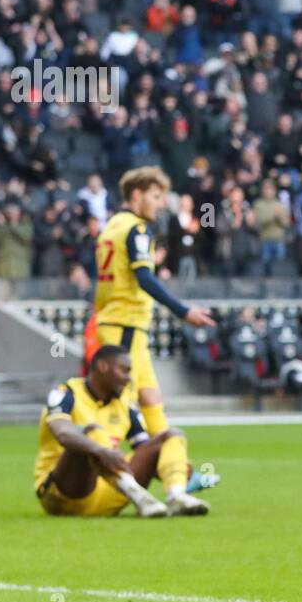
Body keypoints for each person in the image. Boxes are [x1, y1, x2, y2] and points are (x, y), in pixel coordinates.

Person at [89, 167, 216, 440]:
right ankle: (104, 462)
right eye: (156, 196)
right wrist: (183, 311)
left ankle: (173, 463)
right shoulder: (137, 228)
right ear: (137, 195)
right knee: (122, 400)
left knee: (150, 395)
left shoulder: (111, 226)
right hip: (125, 321)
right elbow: (144, 278)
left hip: (118, 321)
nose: (161, 204)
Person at [33, 345, 209, 517]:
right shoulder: (67, 393)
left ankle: (177, 496)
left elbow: (147, 451)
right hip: (64, 492)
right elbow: (62, 433)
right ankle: (138, 495)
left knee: (172, 436)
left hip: (109, 494)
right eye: (124, 370)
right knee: (93, 433)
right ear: (103, 366)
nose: (129, 378)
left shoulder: (124, 405)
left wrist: (175, 466)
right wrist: (101, 451)